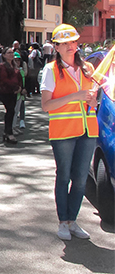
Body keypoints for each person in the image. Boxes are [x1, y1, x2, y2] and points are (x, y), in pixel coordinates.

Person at [40, 24, 99, 241]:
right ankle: (62, 221)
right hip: (63, 132)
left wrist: (92, 101)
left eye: (73, 42)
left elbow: (91, 102)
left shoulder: (87, 69)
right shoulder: (50, 70)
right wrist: (76, 96)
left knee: (81, 179)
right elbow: (46, 106)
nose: (71, 46)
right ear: (56, 47)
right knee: (63, 176)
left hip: (88, 130)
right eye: (65, 43)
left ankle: (73, 220)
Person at [0, 48, 22, 145]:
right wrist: (15, 87)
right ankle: (9, 132)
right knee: (10, 110)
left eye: (12, 53)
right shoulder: (2, 66)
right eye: (9, 53)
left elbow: (19, 77)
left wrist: (20, 87)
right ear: (4, 55)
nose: (11, 54)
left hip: (14, 92)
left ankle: (7, 131)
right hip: (6, 92)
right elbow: (4, 80)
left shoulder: (14, 65)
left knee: (12, 111)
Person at [14, 51, 28, 133]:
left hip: (21, 93)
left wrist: (24, 89)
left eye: (18, 60)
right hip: (15, 93)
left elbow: (24, 80)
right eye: (15, 60)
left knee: (21, 107)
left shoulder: (21, 70)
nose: (17, 62)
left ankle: (20, 122)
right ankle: (12, 127)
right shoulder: (12, 70)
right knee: (13, 111)